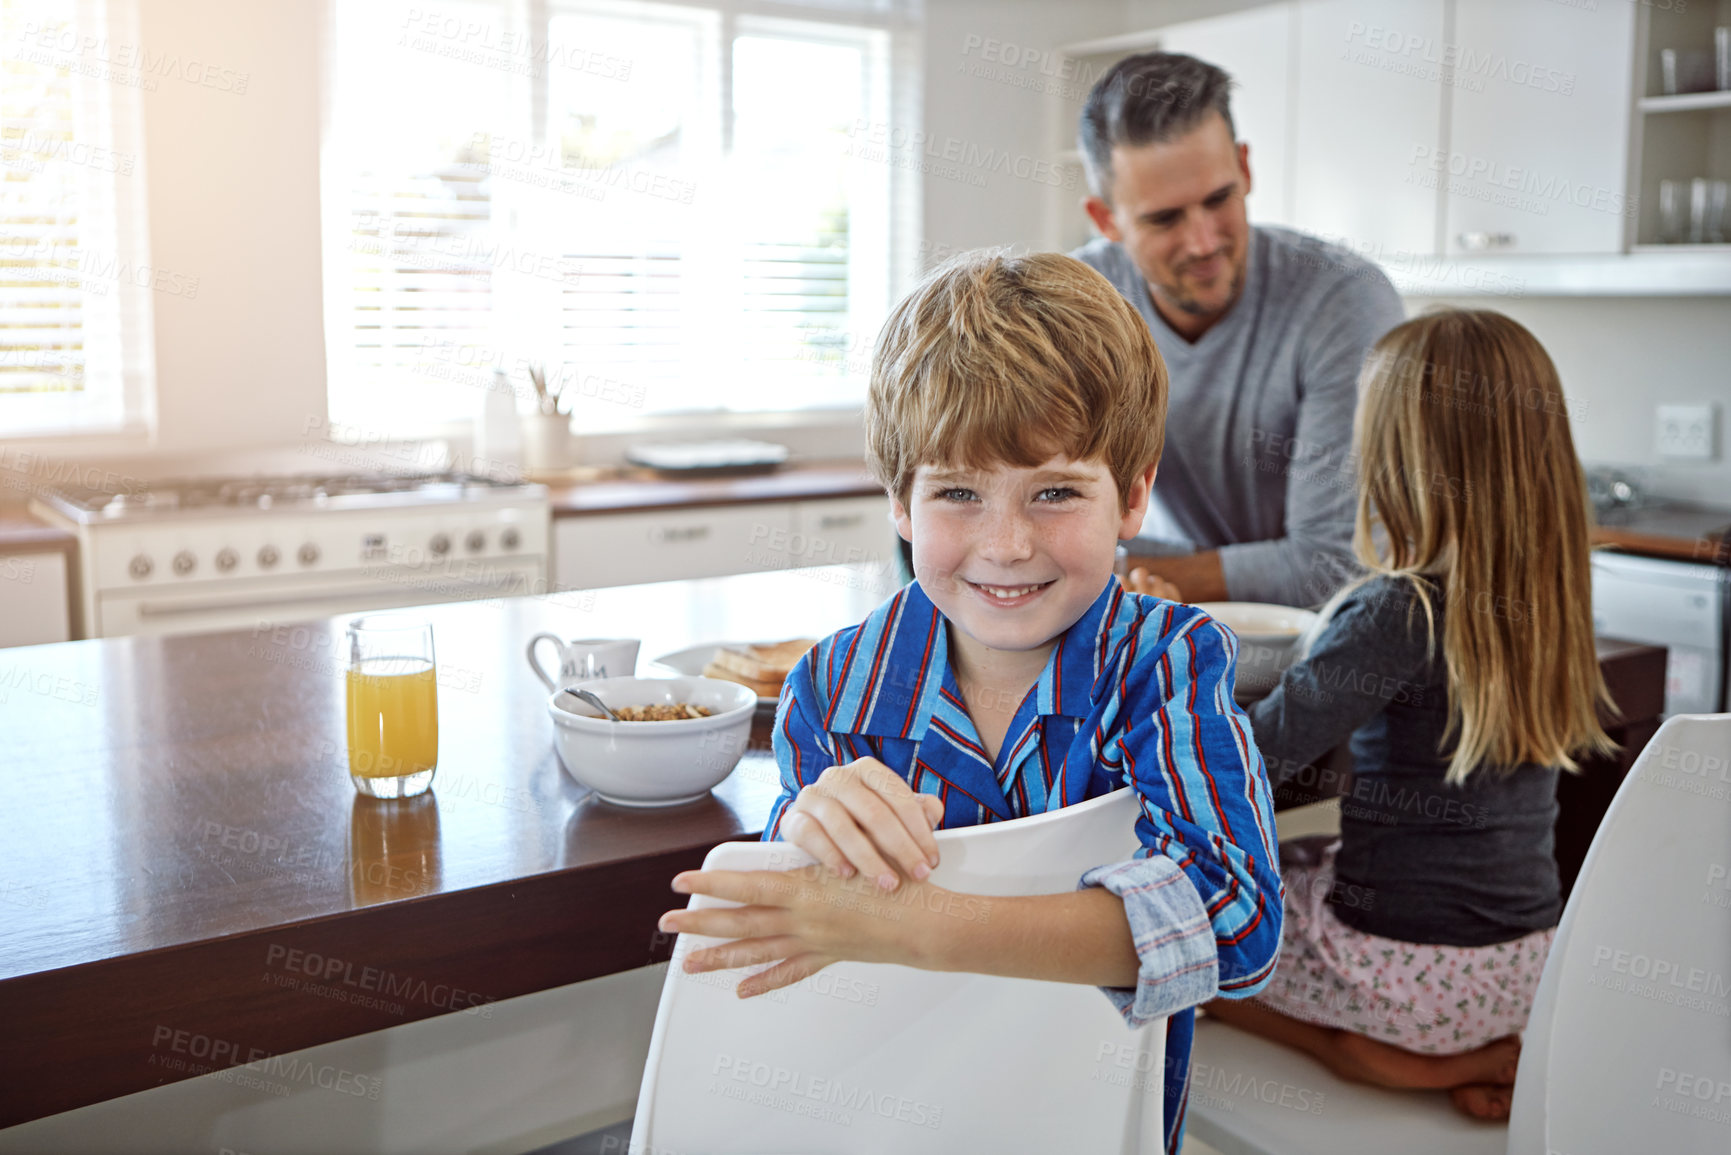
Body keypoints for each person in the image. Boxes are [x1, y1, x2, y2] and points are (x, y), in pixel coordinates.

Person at [657, 250, 1283, 1155]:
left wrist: (917, 922)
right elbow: (805, 944)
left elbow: (1236, 923)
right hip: (882, 1115)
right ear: (901, 503)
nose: (1005, 543)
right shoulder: (830, 690)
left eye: (1056, 491)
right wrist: (804, 827)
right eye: (957, 491)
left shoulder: (1166, 663)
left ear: (1135, 493)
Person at [1205, 309, 1617, 1120]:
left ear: (1397, 459)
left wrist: (1169, 689)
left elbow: (1250, 759)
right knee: (1307, 854)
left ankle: (1373, 1057)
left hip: (1403, 980)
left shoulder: (1399, 612)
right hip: (1522, 971)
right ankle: (1481, 1055)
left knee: (1189, 934)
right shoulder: (1549, 604)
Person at [1074, 51, 1405, 607]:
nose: (1204, 242)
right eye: (1165, 218)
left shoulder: (1344, 298)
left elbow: (1331, 565)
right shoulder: (1079, 303)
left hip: (1336, 645)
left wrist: (1091, 569)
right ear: (1107, 221)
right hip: (1176, 623)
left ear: (1246, 168)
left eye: (1219, 199)